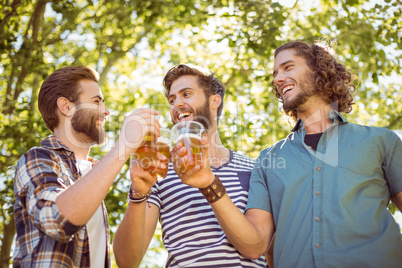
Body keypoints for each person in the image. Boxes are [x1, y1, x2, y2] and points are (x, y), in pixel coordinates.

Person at [171, 41, 402, 267]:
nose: (278, 79)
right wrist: (209, 183)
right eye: (275, 73)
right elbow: (255, 245)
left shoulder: (381, 141)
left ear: (319, 69)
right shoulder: (267, 161)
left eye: (288, 67)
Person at [113, 64, 268, 267]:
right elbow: (126, 262)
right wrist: (138, 194)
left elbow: (255, 248)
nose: (177, 104)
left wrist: (209, 184)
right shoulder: (160, 172)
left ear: (214, 101)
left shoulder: (254, 169)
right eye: (172, 99)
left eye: (186, 94)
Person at [13, 66, 161, 267]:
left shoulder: (92, 176)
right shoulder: (37, 159)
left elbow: (128, 263)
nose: (106, 111)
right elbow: (57, 220)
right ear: (66, 107)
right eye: (96, 101)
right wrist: (122, 147)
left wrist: (139, 194)